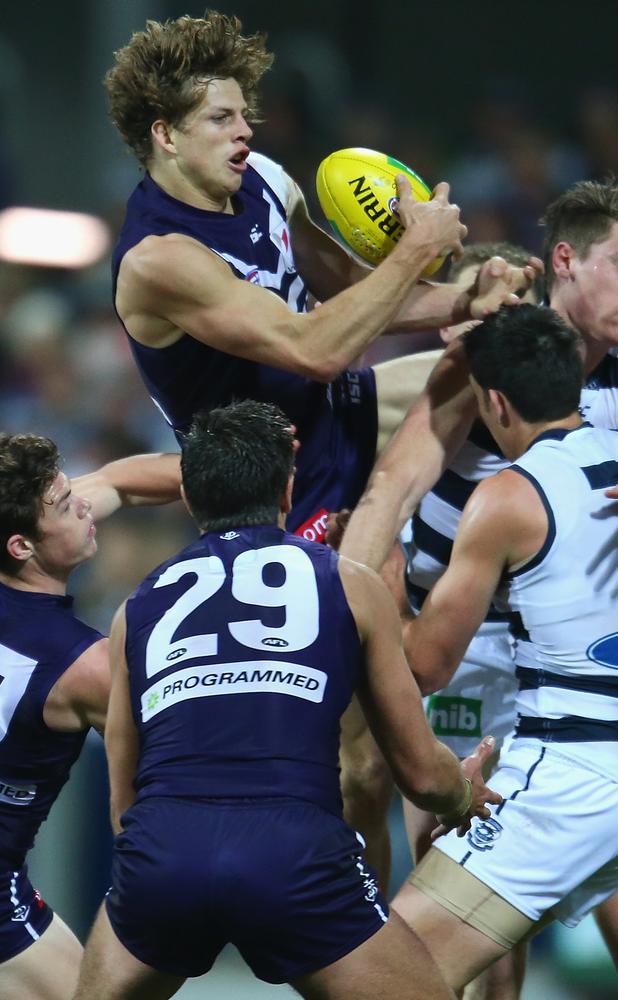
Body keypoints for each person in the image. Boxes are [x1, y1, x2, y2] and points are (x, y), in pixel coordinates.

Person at [71, 399, 501, 1000]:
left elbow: (124, 801)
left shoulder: (135, 608)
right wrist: (460, 796)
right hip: (295, 853)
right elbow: (420, 775)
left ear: (190, 500)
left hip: (165, 853)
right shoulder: (349, 582)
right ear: (289, 489)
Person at [104, 12, 538, 542]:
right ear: (166, 135)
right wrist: (416, 248)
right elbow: (315, 350)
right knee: (375, 614)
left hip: (336, 413)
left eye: (243, 114)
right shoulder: (159, 260)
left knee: (514, 356)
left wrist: (468, 300)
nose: (245, 130)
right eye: (221, 118)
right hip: (274, 493)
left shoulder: (262, 179)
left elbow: (350, 287)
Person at [338, 182, 618, 995]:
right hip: (467, 637)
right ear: (565, 261)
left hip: (566, 661)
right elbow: (391, 487)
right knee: (454, 866)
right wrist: (363, 593)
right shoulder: (484, 355)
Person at [388, 304, 618, 991]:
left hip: (571, 772)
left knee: (391, 967)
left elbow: (425, 665)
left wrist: (381, 594)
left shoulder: (508, 496)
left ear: (493, 402)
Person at [0, 435, 181, 1000]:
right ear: (21, 546)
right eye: (65, 506)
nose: (82, 504)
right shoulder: (86, 665)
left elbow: (115, 483)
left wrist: (236, 474)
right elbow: (191, 740)